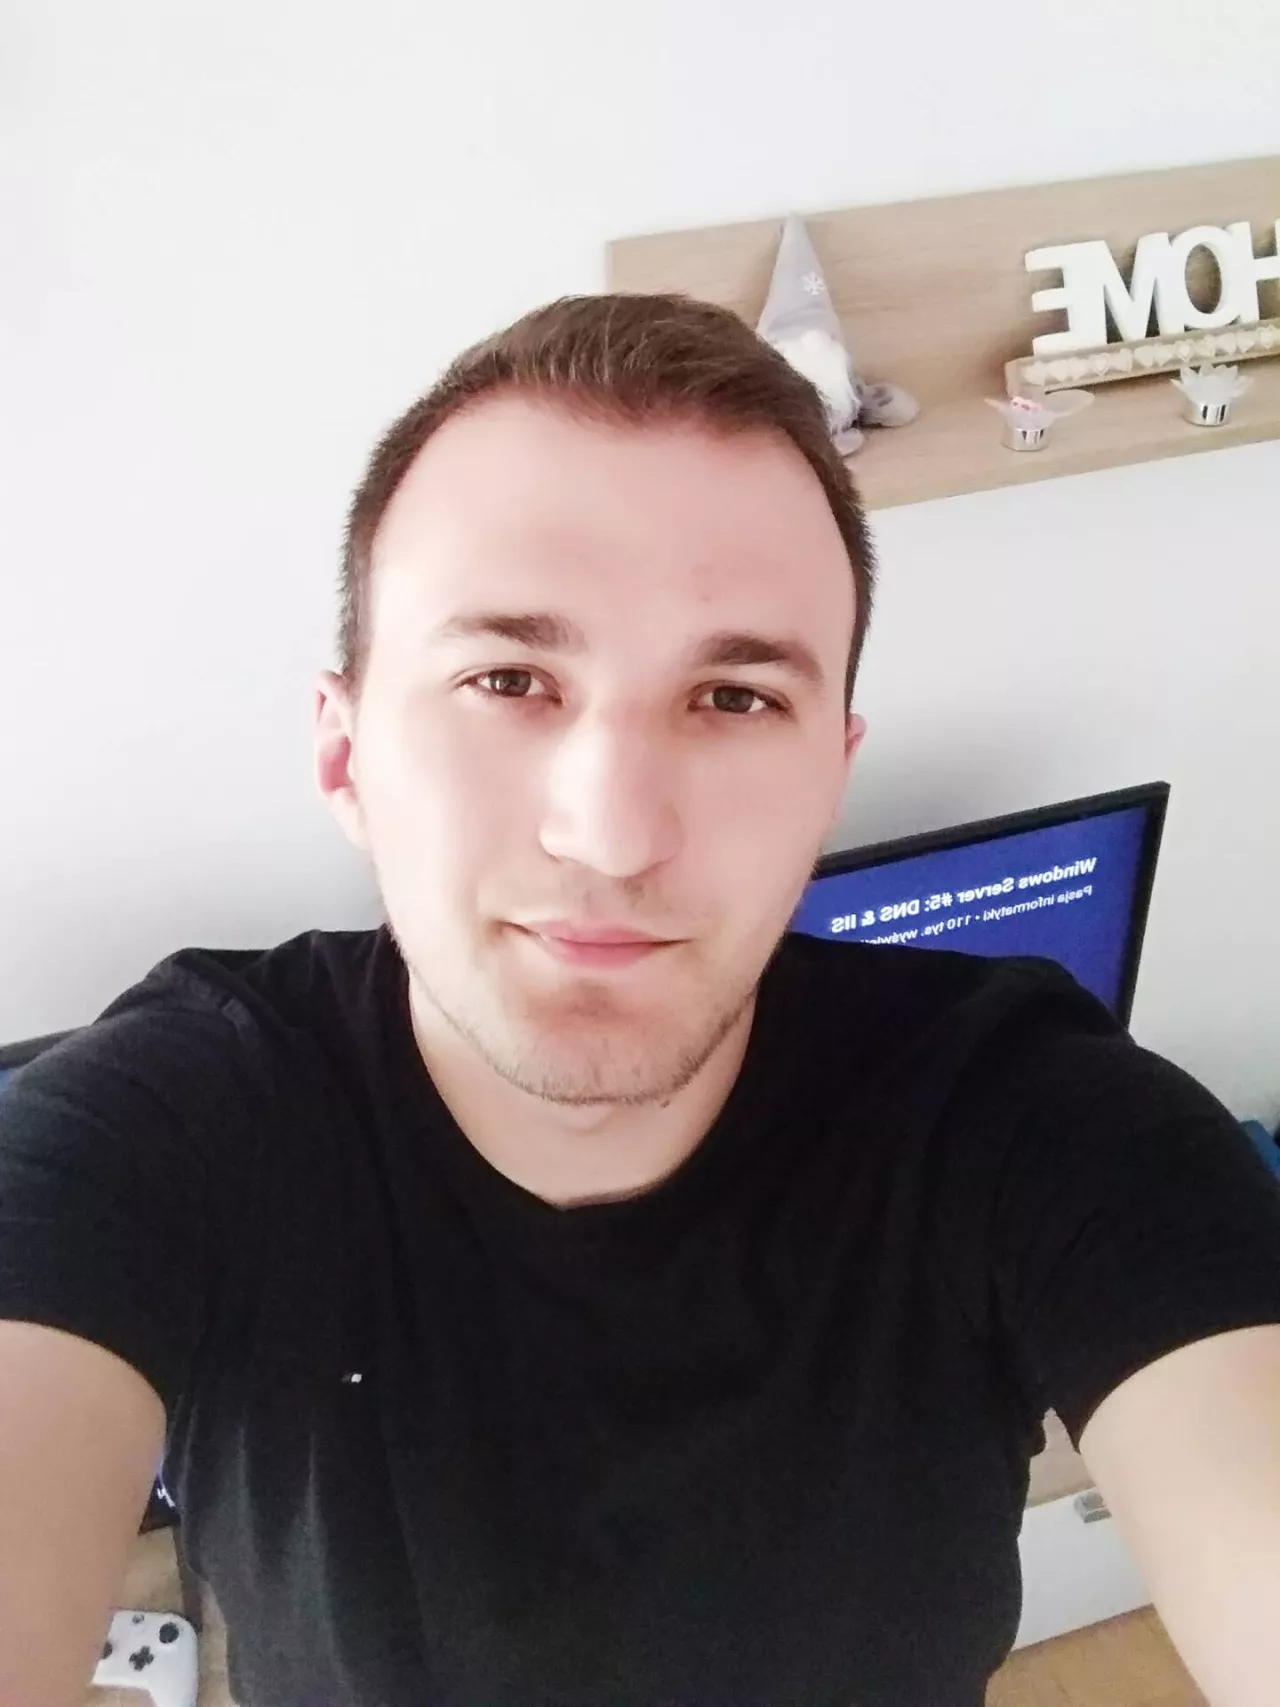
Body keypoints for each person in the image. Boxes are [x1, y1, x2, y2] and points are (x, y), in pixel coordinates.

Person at [1, 294, 1278, 1707]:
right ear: (345, 755)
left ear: (831, 773)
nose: (612, 835)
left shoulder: (1033, 1120)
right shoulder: (167, 1127)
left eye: (734, 698)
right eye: (508, 678)